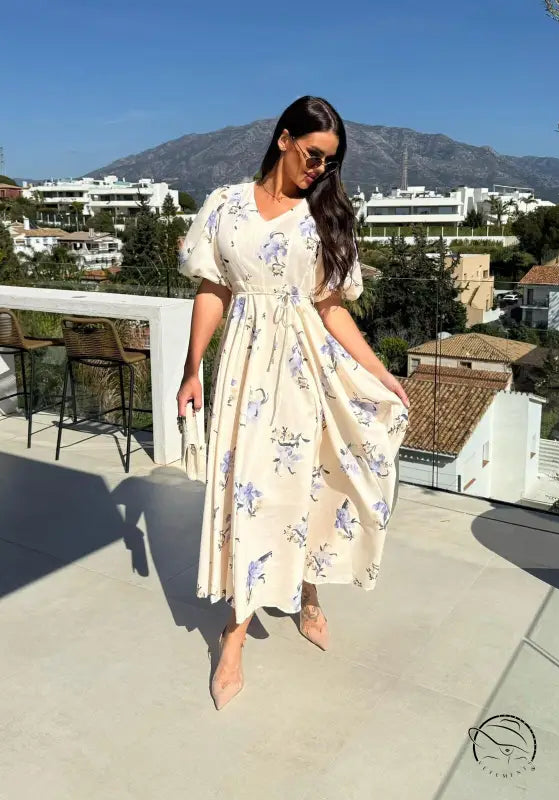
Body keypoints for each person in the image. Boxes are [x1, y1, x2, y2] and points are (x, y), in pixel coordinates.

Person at [177, 96, 410, 710]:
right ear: (284, 139)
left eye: (329, 162)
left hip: (309, 368)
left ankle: (309, 592)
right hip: (245, 372)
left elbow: (332, 308)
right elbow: (213, 290)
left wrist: (380, 372)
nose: (318, 169)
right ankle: (233, 635)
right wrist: (192, 368)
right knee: (247, 491)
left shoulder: (326, 217)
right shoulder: (226, 206)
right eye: (312, 154)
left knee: (311, 482)